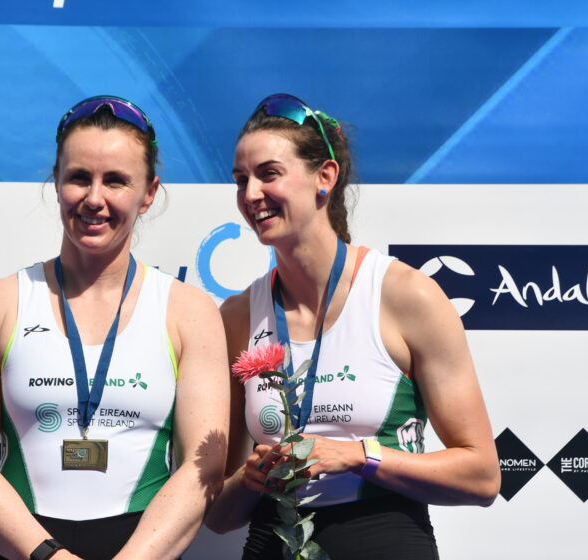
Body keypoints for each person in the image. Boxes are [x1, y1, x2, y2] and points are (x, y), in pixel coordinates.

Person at [206, 93, 500, 559]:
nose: (250, 194)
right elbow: (218, 516)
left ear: (325, 177)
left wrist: (358, 455)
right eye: (241, 179)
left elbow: (482, 477)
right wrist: (250, 478)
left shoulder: (407, 296)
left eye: (269, 173)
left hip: (385, 541)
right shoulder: (238, 315)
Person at [0, 95, 229, 560]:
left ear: (149, 193)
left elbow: (205, 469)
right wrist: (49, 556)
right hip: (26, 551)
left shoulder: (189, 311)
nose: (94, 199)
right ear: (57, 182)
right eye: (79, 177)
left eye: (115, 180)